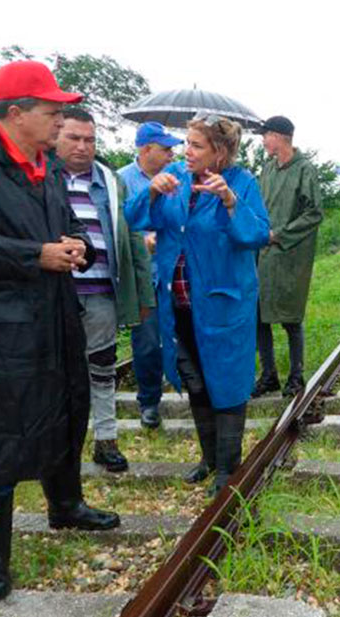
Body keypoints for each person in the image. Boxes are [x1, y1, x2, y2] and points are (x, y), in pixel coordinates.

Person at [0, 60, 120, 602]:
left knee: (68, 407)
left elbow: (67, 227)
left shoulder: (47, 166)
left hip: (57, 317)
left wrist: (77, 245)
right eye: (51, 110)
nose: (60, 119)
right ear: (16, 113)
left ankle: (66, 505)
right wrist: (33, 256)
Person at [125, 113, 270, 495]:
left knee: (227, 382)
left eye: (196, 145)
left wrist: (228, 201)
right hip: (179, 305)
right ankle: (208, 460)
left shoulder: (242, 182)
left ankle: (228, 469)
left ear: (219, 152)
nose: (186, 151)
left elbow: (256, 234)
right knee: (196, 382)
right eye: (186, 143)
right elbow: (133, 218)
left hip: (224, 304)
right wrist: (152, 191)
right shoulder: (175, 178)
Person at [55, 107, 155, 472]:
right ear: (57, 136)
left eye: (90, 140)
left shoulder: (112, 182)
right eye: (74, 138)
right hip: (55, 295)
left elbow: (130, 237)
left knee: (102, 368)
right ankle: (59, 449)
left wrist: (143, 295)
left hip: (100, 294)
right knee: (58, 373)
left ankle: (106, 440)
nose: (83, 147)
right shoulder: (42, 179)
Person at [118, 122, 183, 430]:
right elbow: (117, 227)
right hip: (143, 276)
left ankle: (191, 391)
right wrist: (142, 242)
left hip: (175, 271)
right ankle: (149, 402)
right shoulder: (121, 180)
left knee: (182, 334)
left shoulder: (177, 178)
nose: (172, 154)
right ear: (146, 150)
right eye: (166, 149)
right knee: (145, 341)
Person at [254, 115, 324, 399]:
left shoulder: (305, 170)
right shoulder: (267, 170)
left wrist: (280, 233)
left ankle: (296, 376)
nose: (263, 141)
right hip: (263, 253)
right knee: (259, 315)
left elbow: (314, 213)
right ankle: (269, 375)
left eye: (266, 135)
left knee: (291, 317)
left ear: (281, 136)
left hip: (292, 254)